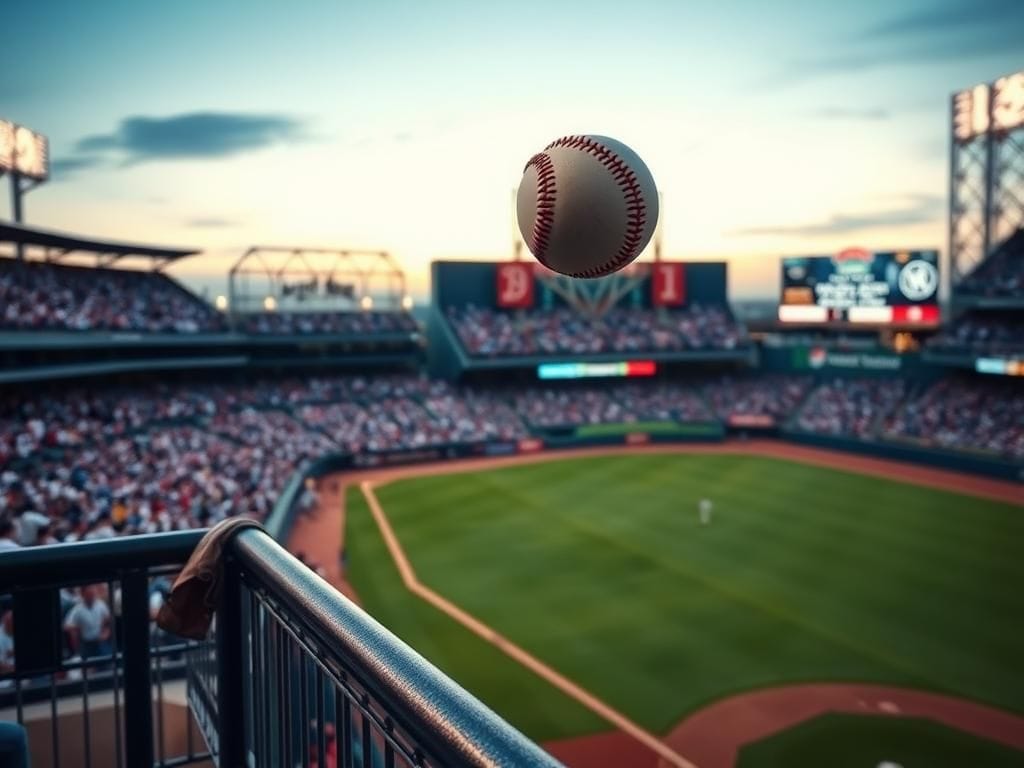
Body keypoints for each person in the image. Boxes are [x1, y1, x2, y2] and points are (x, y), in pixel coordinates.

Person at [64, 585, 112, 662]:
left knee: (108, 661)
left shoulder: (100, 604)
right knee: (88, 665)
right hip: (86, 644)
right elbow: (66, 626)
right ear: (83, 595)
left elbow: (109, 619)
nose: (91, 596)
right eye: (89, 594)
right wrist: (78, 628)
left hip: (100, 642)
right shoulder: (78, 609)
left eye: (93, 594)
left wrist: (106, 632)